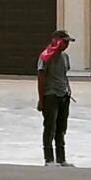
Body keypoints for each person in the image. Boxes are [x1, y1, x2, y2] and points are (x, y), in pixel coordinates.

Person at [37, 29, 75, 166]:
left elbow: (64, 75)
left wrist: (68, 89)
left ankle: (61, 158)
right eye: (64, 42)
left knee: (61, 128)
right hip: (51, 95)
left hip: (63, 95)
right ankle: (49, 159)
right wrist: (41, 99)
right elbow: (41, 78)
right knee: (50, 127)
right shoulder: (45, 57)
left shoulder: (65, 57)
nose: (67, 45)